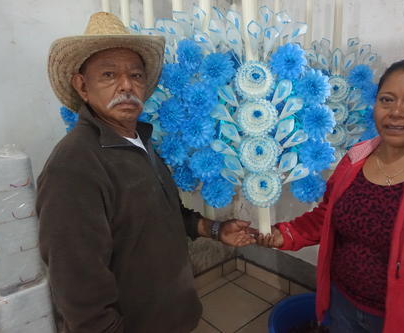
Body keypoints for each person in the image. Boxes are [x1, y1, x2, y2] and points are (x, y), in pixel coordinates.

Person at [37, 12, 256, 333]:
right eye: (109, 74)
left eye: (136, 76)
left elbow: (166, 214)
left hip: (173, 313)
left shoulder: (139, 140)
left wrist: (215, 230)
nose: (126, 85)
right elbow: (78, 289)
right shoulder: (73, 167)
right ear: (82, 86)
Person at [257, 57, 404, 333]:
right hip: (343, 303)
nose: (396, 112)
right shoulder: (356, 158)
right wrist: (285, 233)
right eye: (387, 100)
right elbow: (327, 216)